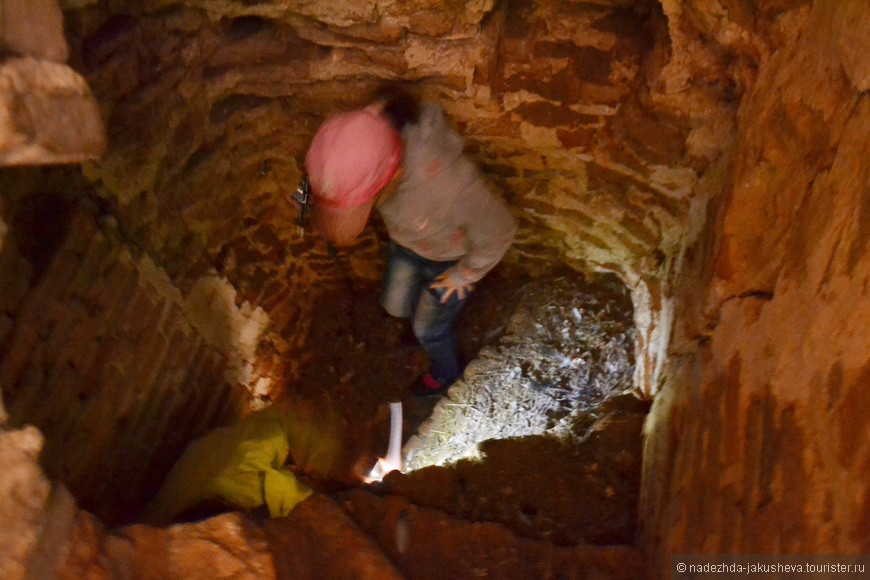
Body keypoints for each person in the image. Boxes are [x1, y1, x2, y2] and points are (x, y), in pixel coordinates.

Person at [304, 85, 515, 397]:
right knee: (394, 303)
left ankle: (446, 370)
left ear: (392, 175)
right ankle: (416, 331)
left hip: (448, 258)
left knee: (430, 328)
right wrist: (310, 196)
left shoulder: (446, 187)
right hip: (406, 242)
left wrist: (464, 274)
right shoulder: (354, 137)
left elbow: (500, 231)